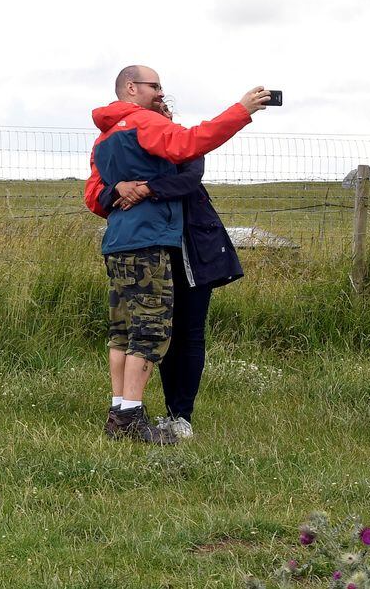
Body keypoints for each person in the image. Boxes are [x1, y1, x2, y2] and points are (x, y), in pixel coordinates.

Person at [84, 66, 269, 443]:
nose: (161, 95)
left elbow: (100, 191)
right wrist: (241, 109)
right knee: (151, 332)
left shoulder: (105, 139)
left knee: (125, 331)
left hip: (126, 241)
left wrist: (131, 188)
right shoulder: (144, 126)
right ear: (132, 88)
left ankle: (123, 410)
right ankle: (131, 419)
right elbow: (191, 143)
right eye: (155, 87)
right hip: (150, 240)